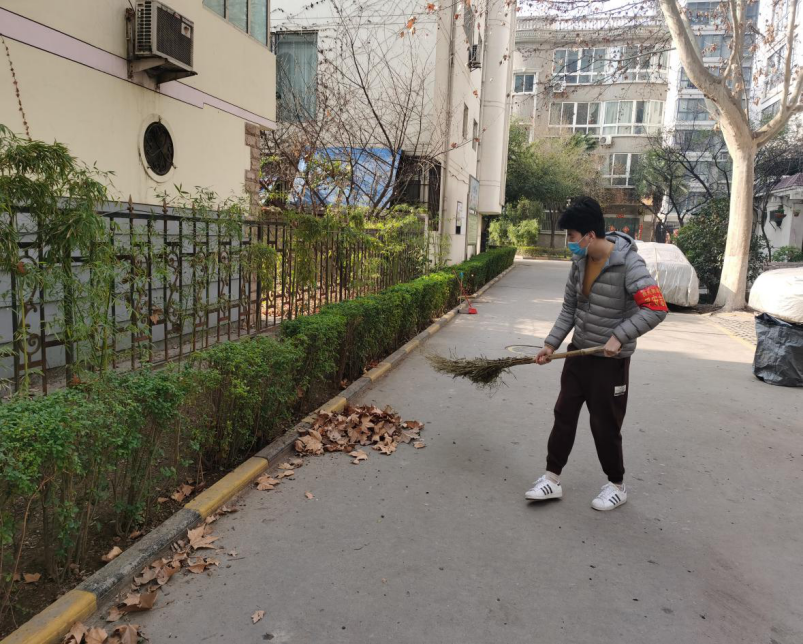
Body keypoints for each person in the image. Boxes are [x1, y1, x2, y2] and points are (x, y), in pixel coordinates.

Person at [526, 197, 668, 511]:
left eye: (572, 236)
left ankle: (617, 485)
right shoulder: (579, 263)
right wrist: (551, 344)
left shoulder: (629, 264)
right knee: (563, 415)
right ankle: (551, 478)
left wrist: (620, 336)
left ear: (590, 235)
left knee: (604, 425)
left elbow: (656, 309)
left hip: (610, 362)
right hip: (578, 354)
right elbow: (569, 309)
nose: (569, 243)